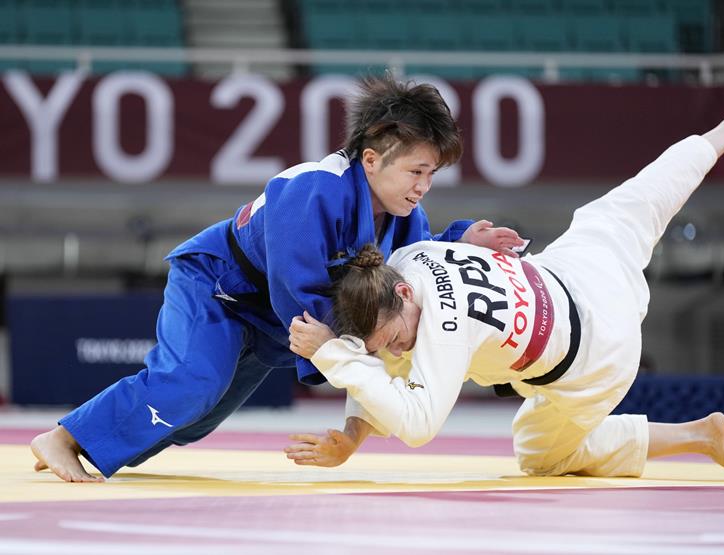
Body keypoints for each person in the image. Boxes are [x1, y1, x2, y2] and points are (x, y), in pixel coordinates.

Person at [286, 70, 724, 481]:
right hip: (579, 267)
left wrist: (333, 353)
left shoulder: (444, 327)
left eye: (394, 338)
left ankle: (696, 436)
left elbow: (417, 425)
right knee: (645, 194)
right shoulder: (412, 255)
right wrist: (351, 413)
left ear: (400, 294)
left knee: (539, 451)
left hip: (598, 355)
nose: (397, 351)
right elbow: (385, 354)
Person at [30, 74, 524, 482]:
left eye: (432, 174)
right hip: (220, 286)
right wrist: (335, 354)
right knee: (189, 384)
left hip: (272, 323)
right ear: (371, 159)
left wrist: (461, 241)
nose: (423, 186)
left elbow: (413, 260)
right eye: (417, 171)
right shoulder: (312, 189)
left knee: (196, 419)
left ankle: (92, 444)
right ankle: (65, 437)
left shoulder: (405, 217)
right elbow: (295, 285)